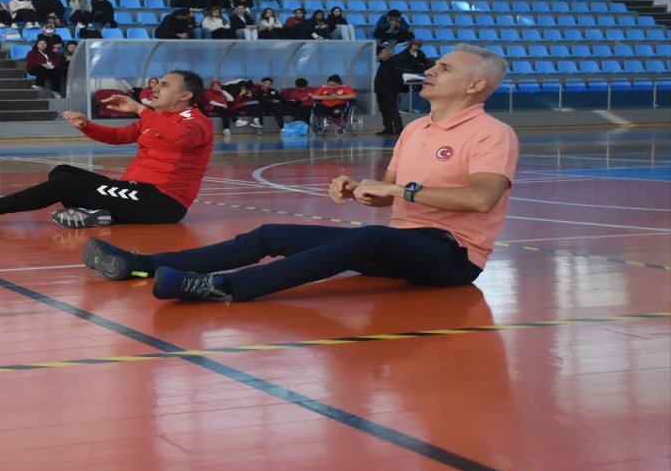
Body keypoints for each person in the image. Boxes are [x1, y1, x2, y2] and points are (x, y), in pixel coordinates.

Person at [82, 45, 518, 306]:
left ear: (476, 86)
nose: (429, 70)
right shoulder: (415, 129)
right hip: (403, 244)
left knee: (369, 239)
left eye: (444, 68)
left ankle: (221, 287)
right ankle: (141, 265)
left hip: (452, 256)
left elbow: (480, 199)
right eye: (434, 65)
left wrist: (399, 189)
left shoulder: (492, 133)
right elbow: (389, 196)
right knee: (271, 233)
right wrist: (362, 192)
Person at [0, 70, 213, 229]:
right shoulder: (157, 119)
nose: (155, 87)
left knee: (70, 184)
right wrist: (86, 125)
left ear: (185, 95)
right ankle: (103, 214)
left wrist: (141, 109)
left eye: (164, 85)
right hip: (134, 190)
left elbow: (182, 140)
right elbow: (119, 136)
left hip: (162, 203)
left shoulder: (197, 122)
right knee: (63, 171)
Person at [375, 43, 406, 136]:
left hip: (390, 91)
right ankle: (388, 128)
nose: (380, 55)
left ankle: (399, 129)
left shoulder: (394, 63)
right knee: (384, 111)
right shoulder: (383, 64)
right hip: (381, 91)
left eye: (382, 52)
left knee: (392, 110)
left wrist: (400, 89)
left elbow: (398, 78)